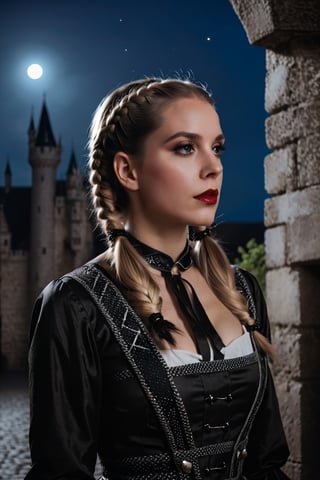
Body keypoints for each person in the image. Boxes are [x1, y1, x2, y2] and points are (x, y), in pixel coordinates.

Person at [25, 77, 290, 480]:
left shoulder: (242, 291)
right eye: (185, 147)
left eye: (216, 148)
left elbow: (267, 461)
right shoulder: (75, 304)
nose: (213, 166)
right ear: (127, 170)